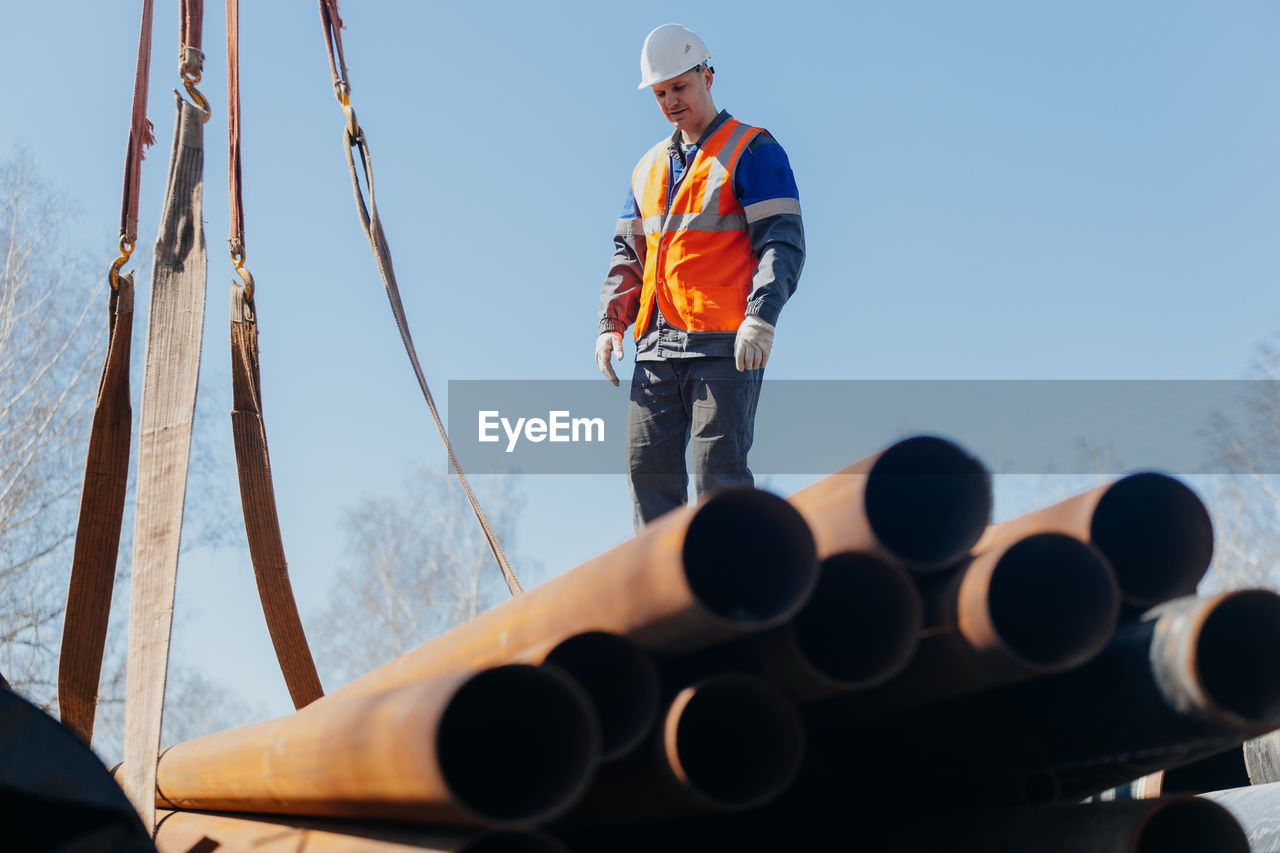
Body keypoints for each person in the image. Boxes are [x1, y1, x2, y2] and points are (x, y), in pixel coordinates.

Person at [595, 23, 805, 530]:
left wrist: (762, 317)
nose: (670, 100)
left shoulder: (752, 150)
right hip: (656, 346)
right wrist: (610, 323)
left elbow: (782, 240)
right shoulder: (646, 168)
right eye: (661, 92)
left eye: (680, 87)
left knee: (719, 479)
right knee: (648, 475)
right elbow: (629, 253)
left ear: (707, 77)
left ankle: (729, 598)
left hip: (723, 344)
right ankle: (668, 600)